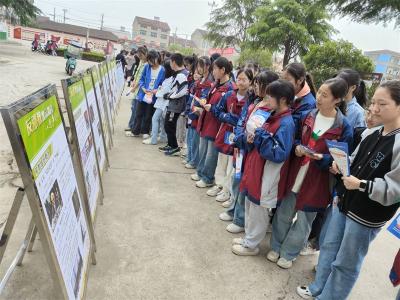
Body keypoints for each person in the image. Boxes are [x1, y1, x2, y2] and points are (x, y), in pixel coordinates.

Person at [297, 80, 400, 300]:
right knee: (329, 248)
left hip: (366, 215)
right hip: (344, 201)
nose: (374, 108)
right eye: (373, 102)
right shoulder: (372, 132)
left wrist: (362, 184)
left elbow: (395, 189)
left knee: (346, 262)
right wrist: (340, 166)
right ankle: (317, 288)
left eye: (382, 104)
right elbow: (352, 160)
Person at [268, 77, 353, 269]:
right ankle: (276, 246)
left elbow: (341, 159)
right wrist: (298, 147)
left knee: (305, 220)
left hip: (318, 179)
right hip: (296, 171)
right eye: (319, 92)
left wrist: (322, 159)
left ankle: (289, 253)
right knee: (284, 212)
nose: (319, 97)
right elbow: (296, 138)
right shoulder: (308, 115)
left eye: (325, 95)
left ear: (337, 99)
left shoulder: (343, 126)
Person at [230, 80, 296, 255]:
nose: (266, 99)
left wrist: (260, 135)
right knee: (250, 206)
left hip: (266, 175)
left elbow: (279, 153)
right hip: (256, 169)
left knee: (258, 211)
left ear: (282, 99)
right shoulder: (273, 116)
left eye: (270, 96)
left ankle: (251, 245)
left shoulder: (286, 123)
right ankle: (248, 239)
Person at [219, 70, 279, 234]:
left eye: (259, 84)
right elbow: (242, 120)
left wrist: (244, 139)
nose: (256, 86)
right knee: (236, 180)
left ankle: (240, 219)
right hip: (241, 146)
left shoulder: (271, 108)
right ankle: (233, 210)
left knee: (244, 185)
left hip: (251, 150)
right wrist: (239, 137)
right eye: (256, 83)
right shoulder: (257, 100)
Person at [208, 69, 254, 206]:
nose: (240, 82)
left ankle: (228, 191)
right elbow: (217, 111)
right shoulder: (229, 94)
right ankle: (219, 185)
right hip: (225, 132)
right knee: (221, 160)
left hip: (238, 137)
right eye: (238, 79)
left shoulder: (250, 100)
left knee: (233, 166)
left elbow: (243, 120)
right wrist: (227, 117)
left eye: (244, 79)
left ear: (250, 82)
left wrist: (229, 117)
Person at [191, 57, 235, 188]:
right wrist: (203, 101)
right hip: (206, 120)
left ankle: (208, 178)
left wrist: (212, 108)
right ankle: (200, 172)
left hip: (216, 125)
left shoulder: (230, 88)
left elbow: (227, 110)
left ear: (223, 70)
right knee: (203, 149)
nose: (213, 71)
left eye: (215, 68)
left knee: (211, 153)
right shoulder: (216, 84)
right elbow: (208, 97)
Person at [185, 56, 213, 169]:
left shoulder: (209, 81)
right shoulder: (201, 79)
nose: (199, 68)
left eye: (201, 66)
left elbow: (204, 98)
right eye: (198, 66)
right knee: (191, 137)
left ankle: (194, 161)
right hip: (193, 109)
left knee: (196, 140)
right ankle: (190, 158)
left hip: (199, 112)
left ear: (207, 66)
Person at [129, 50, 165, 138]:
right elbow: (141, 79)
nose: (150, 62)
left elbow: (162, 84)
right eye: (149, 60)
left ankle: (145, 131)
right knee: (138, 112)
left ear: (157, 58)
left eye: (152, 60)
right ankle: (135, 131)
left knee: (148, 114)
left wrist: (156, 90)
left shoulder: (162, 70)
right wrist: (143, 88)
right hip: (143, 94)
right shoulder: (146, 67)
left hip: (153, 96)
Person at [160, 53, 189, 156]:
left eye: (171, 62)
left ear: (174, 62)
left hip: (176, 105)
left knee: (169, 125)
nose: (170, 64)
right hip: (174, 104)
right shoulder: (179, 73)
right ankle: (170, 144)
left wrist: (169, 96)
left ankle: (175, 147)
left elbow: (182, 90)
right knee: (168, 125)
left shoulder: (182, 74)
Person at [143, 59, 175, 145]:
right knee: (161, 120)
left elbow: (163, 92)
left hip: (163, 103)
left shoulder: (170, 79)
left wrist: (156, 92)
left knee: (155, 119)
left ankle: (153, 139)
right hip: (163, 103)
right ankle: (163, 137)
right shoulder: (169, 78)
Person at [126, 46, 148, 133]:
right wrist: (133, 82)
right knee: (133, 108)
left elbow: (142, 78)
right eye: (139, 56)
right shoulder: (141, 62)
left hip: (140, 90)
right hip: (135, 88)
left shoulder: (147, 65)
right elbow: (137, 74)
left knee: (136, 110)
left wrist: (134, 88)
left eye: (141, 56)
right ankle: (131, 125)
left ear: (145, 54)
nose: (140, 58)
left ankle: (134, 127)